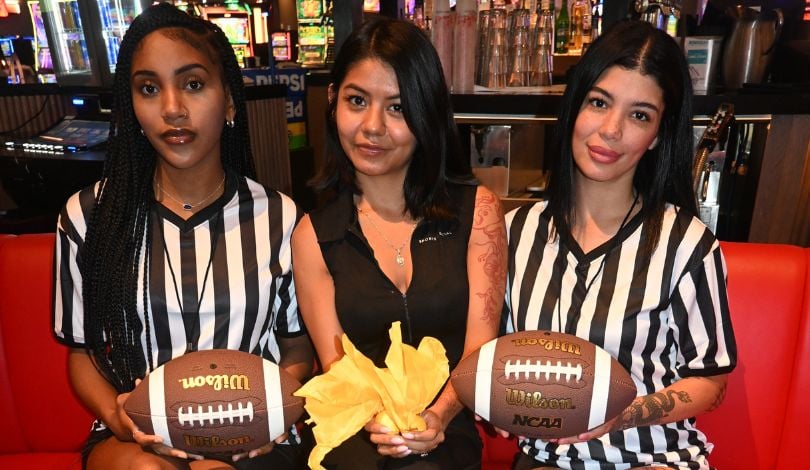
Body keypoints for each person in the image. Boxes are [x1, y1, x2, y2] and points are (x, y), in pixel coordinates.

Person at [52, 4, 313, 469]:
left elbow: (297, 350)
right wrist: (118, 414)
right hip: (135, 435)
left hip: (255, 434)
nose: (172, 109)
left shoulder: (281, 218)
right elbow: (82, 351)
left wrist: (269, 417)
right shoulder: (89, 216)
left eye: (193, 84)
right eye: (149, 89)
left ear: (229, 100)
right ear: (132, 106)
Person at [504, 20, 737, 469]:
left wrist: (620, 414)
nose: (611, 130)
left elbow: (712, 382)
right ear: (575, 106)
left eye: (639, 115)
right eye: (599, 102)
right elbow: (496, 361)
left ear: (656, 137)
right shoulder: (515, 233)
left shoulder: (686, 244)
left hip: (652, 459)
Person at [291, 17, 507, 470]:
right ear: (333, 104)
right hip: (355, 423)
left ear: (426, 113)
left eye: (396, 107)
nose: (372, 126)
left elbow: (479, 349)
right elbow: (338, 368)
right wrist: (387, 426)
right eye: (357, 101)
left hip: (448, 420)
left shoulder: (478, 212)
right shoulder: (314, 234)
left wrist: (437, 417)